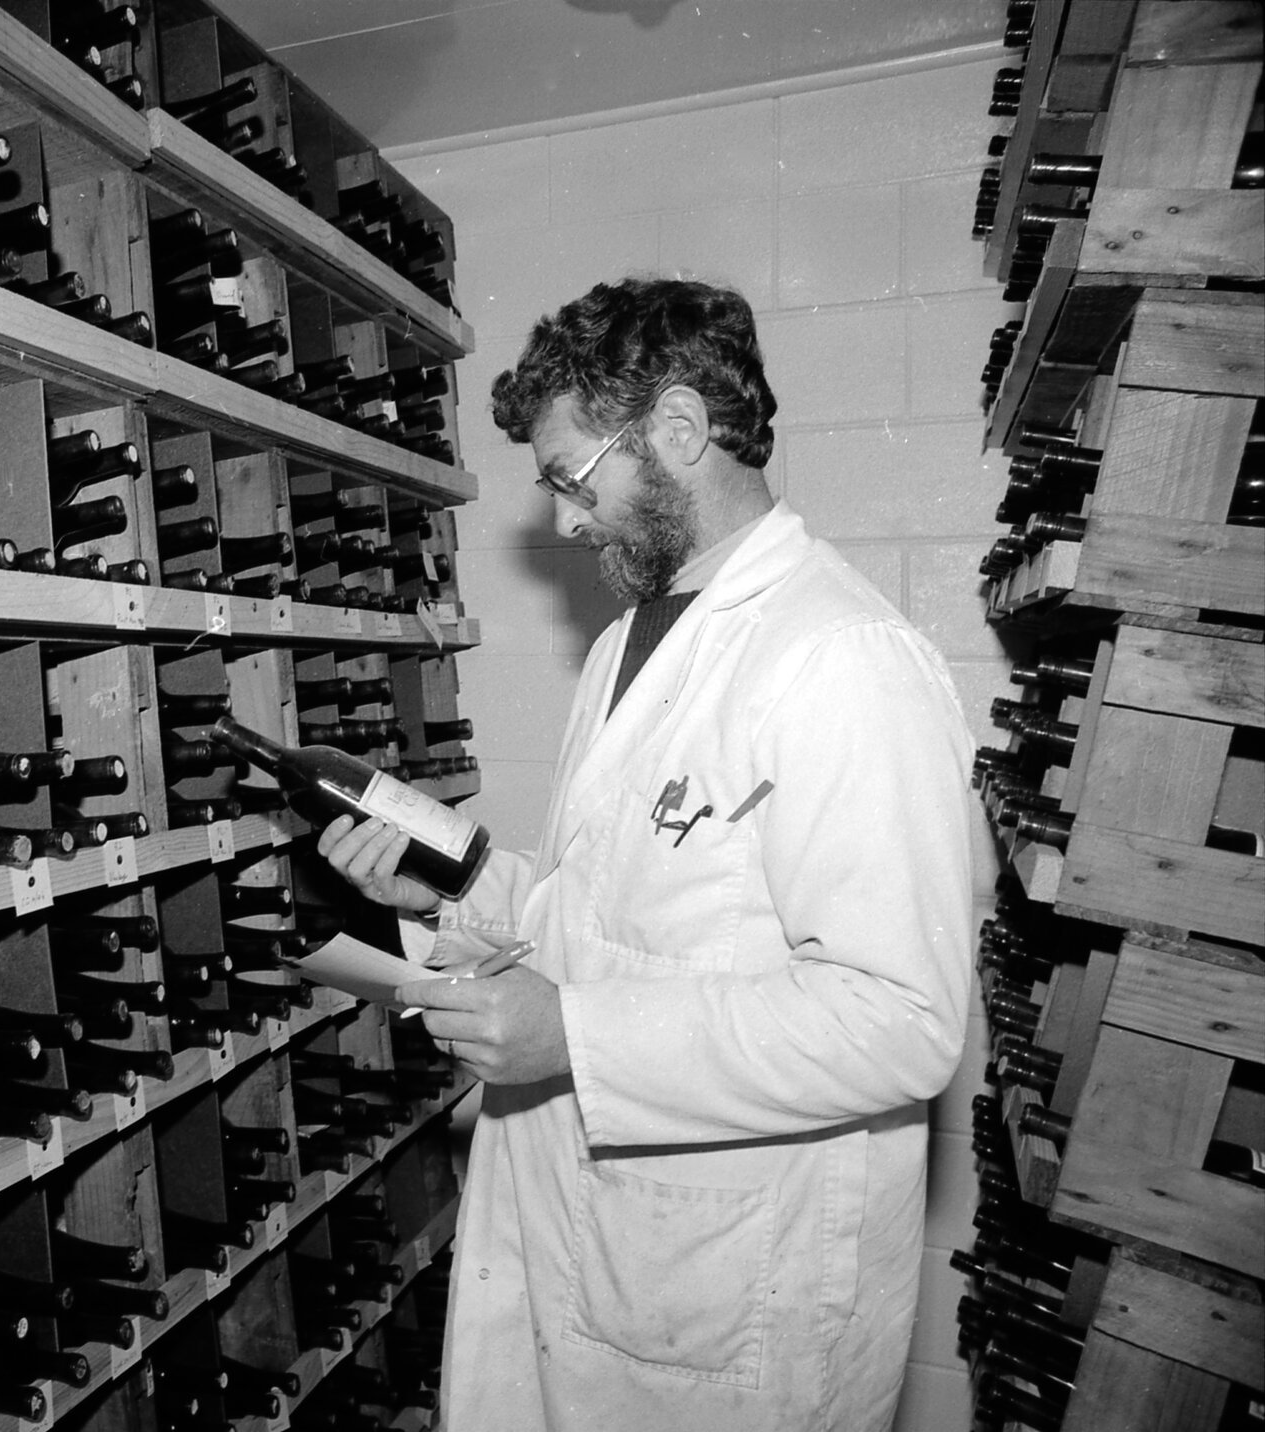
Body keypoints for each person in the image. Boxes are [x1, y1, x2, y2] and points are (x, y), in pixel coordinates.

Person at [318, 276, 983, 1431]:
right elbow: (601, 916)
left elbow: (898, 1019)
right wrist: (443, 886)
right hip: (607, 1243)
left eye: (572, 479)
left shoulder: (839, 659)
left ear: (677, 429)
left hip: (733, 1292)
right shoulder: (628, 640)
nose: (564, 523)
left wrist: (575, 1036)